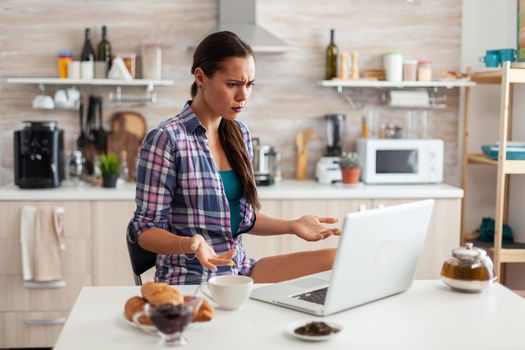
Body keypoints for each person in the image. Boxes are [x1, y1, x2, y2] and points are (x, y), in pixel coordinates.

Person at [128, 31, 341, 285]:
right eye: (232, 84)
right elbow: (144, 231)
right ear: (200, 77)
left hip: (239, 273)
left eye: (249, 84)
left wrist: (292, 225)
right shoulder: (166, 139)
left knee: (337, 258)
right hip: (191, 280)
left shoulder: (239, 134)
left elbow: (243, 218)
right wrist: (189, 244)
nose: (243, 96)